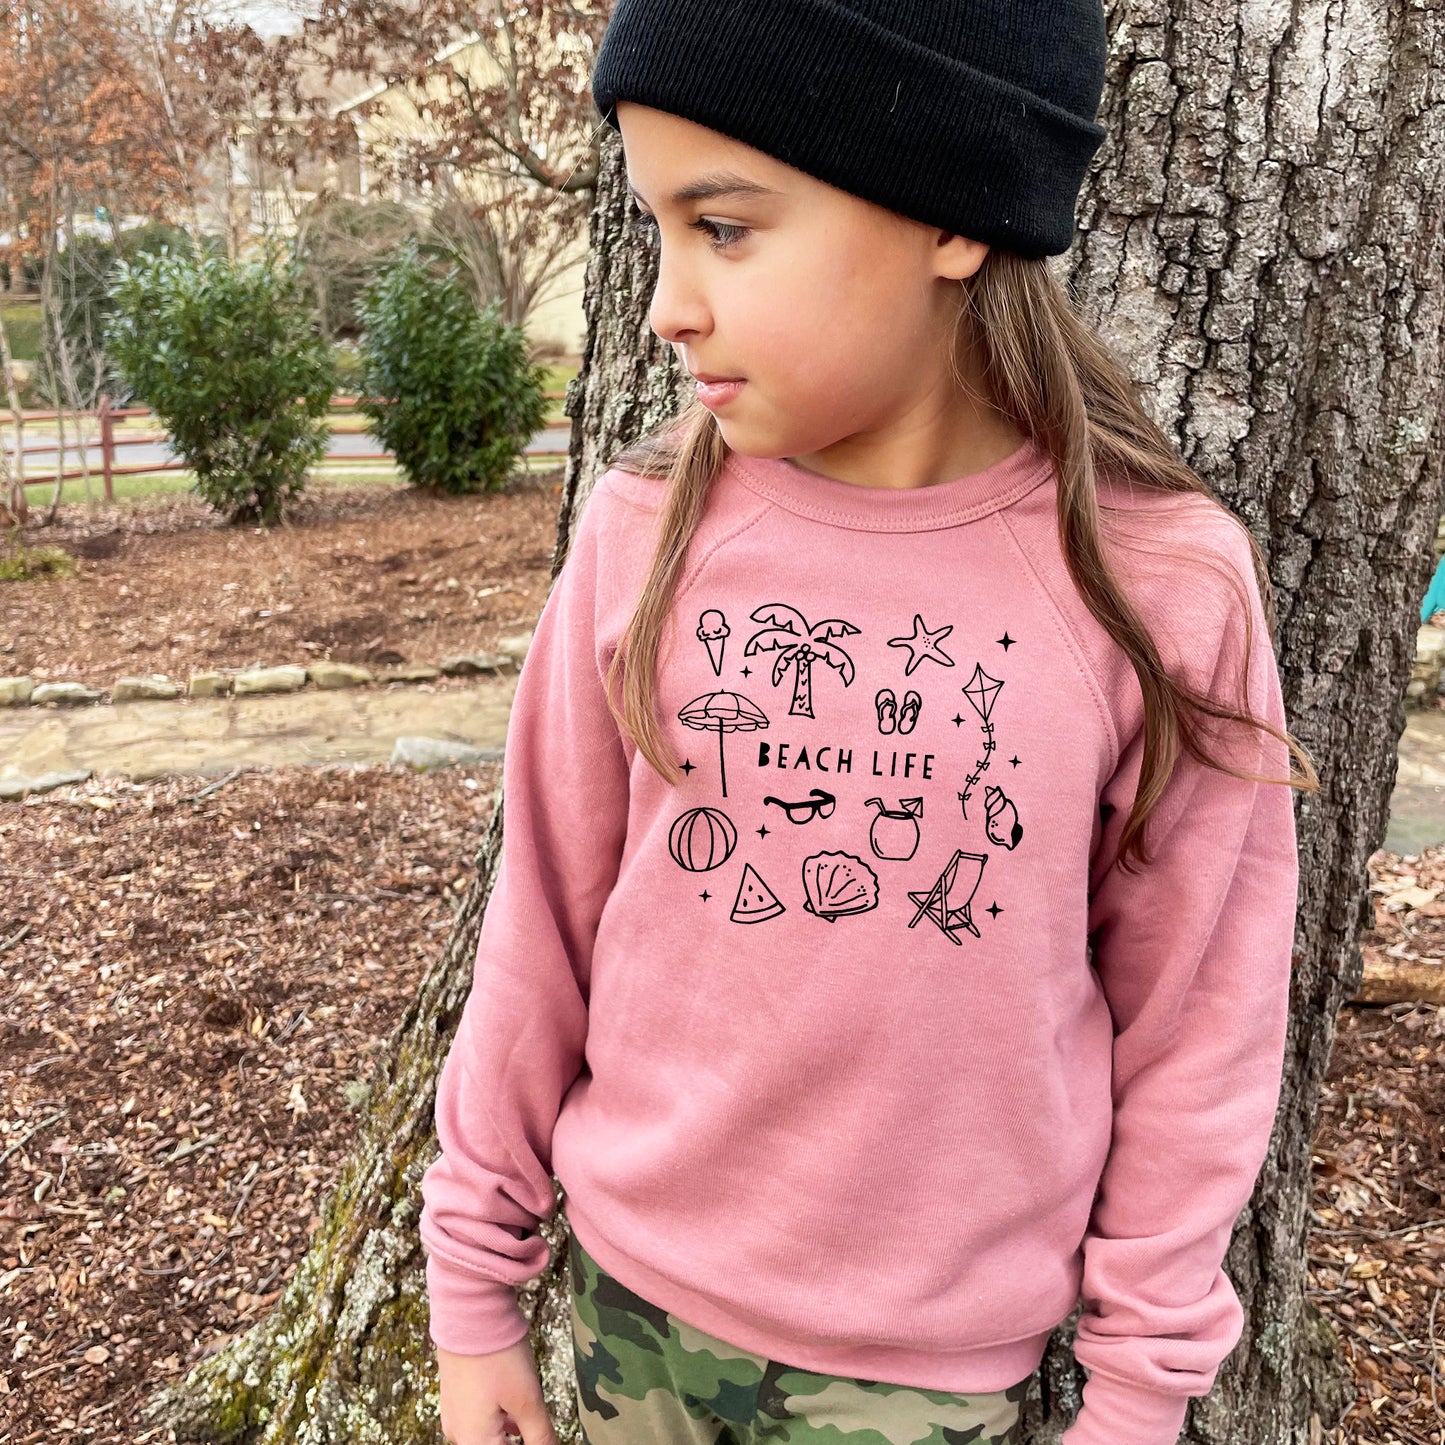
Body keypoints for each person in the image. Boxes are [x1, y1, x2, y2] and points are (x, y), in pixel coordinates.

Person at [419, 3, 1321, 1443]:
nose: (664, 302)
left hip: (922, 1378)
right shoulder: (643, 533)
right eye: (657, 227)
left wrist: (1141, 1390)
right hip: (623, 1313)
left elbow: (1198, 1027)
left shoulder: (1156, 585)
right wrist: (473, 1286)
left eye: (723, 226)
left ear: (951, 216)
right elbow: (540, 927)